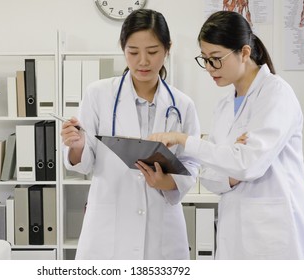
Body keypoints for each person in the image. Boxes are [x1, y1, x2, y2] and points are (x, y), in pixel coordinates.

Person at [149, 11, 304, 259]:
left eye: (216, 59)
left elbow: (247, 165)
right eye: (204, 59)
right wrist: (232, 173)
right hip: (234, 236)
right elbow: (209, 176)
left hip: (275, 238)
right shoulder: (225, 105)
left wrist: (185, 140)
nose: (209, 68)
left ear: (245, 52)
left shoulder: (276, 94)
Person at [61, 9, 200, 259]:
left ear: (168, 49)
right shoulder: (98, 94)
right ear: (123, 48)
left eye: (153, 51)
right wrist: (78, 145)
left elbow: (192, 164)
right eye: (133, 52)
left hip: (162, 230)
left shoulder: (182, 104)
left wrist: (166, 182)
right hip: (108, 228)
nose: (143, 61)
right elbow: (83, 163)